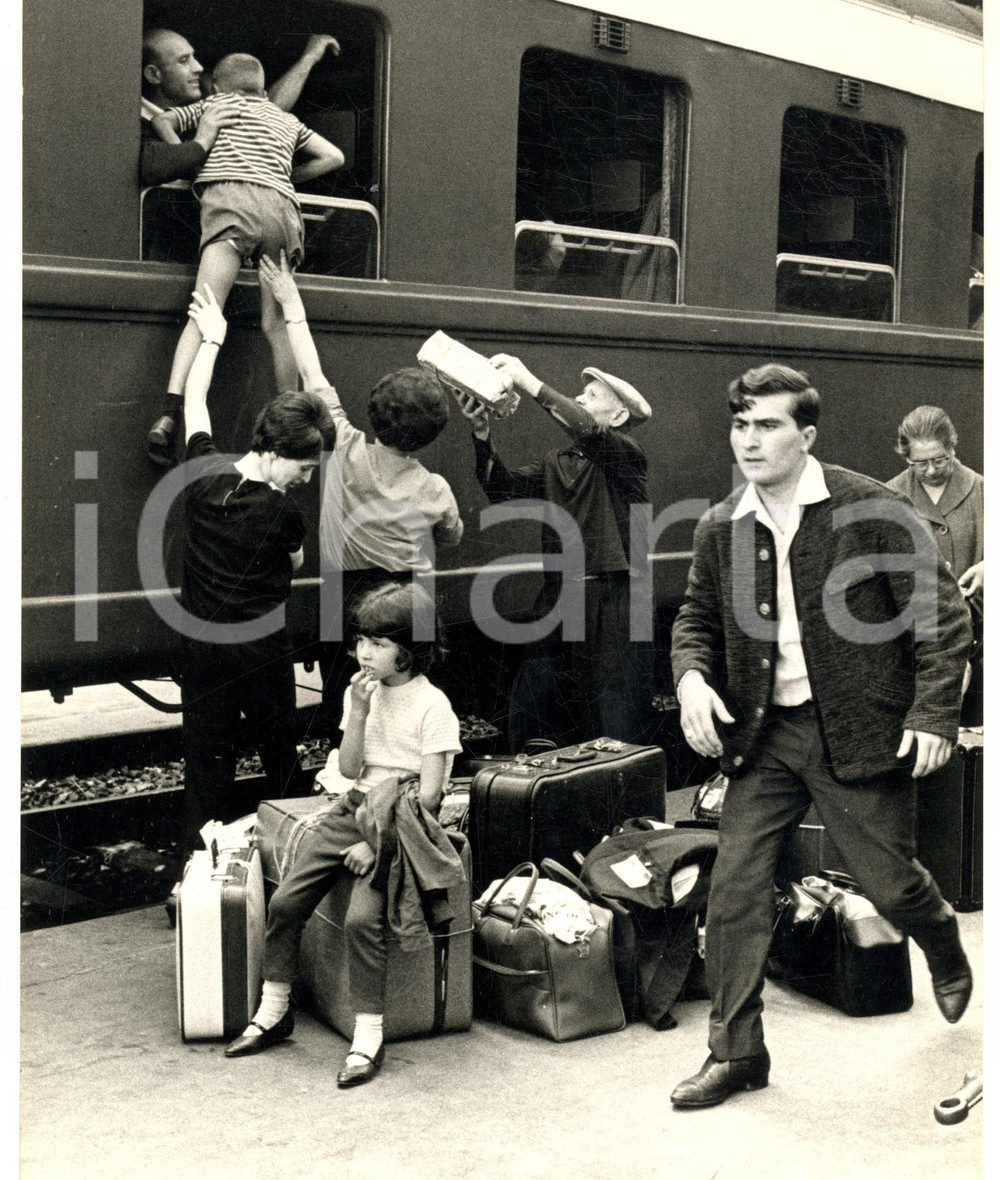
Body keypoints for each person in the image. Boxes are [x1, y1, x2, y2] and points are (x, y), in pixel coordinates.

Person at [669, 363, 973, 1111]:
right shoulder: (721, 526)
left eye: (767, 424)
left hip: (858, 731)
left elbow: (942, 618)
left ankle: (936, 934)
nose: (749, 439)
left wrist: (932, 714)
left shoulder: (871, 508)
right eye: (740, 424)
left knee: (889, 882)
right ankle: (736, 1052)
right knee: (735, 889)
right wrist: (691, 680)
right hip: (764, 736)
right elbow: (695, 622)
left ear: (805, 435)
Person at [224, 581, 464, 1087]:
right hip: (352, 808)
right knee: (286, 902)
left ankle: (369, 1036)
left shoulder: (433, 706)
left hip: (402, 828)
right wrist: (355, 712)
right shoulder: (364, 695)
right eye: (361, 641)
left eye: (379, 643)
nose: (364, 652)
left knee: (361, 921)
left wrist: (372, 844)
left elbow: (430, 799)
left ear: (410, 648)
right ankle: (274, 1011)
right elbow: (353, 768)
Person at [256, 251, 464, 732]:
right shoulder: (434, 489)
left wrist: (291, 300)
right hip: (407, 599)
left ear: (374, 414)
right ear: (430, 435)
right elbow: (451, 536)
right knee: (407, 700)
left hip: (341, 598)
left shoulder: (344, 448)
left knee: (346, 701)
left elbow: (312, 372)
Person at [176, 282, 335, 861]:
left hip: (200, 648)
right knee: (280, 757)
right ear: (273, 451)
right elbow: (294, 564)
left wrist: (212, 340)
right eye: (305, 465)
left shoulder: (201, 473)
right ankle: (297, 861)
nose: (307, 477)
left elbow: (196, 404)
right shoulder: (283, 511)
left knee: (205, 766)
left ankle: (196, 873)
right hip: (260, 652)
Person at [146, 53, 345, 466]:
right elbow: (334, 157)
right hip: (280, 213)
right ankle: (289, 419)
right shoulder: (285, 120)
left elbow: (161, 121)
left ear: (219, 86)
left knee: (205, 312)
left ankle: (168, 413)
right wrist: (287, 178)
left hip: (232, 208)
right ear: (262, 86)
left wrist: (190, 157)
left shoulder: (213, 106)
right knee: (278, 321)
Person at [459, 354, 654, 750]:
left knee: (613, 721)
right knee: (535, 712)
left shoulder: (627, 455)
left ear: (617, 418)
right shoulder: (557, 462)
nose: (579, 399)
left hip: (612, 600)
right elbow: (503, 492)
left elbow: (591, 435)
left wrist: (528, 380)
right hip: (557, 598)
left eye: (592, 394)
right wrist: (481, 434)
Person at [140, 29, 341, 188]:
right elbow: (153, 164)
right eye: (184, 61)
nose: (199, 67)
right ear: (154, 75)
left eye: (194, 57)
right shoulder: (131, 124)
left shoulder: (206, 110)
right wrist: (201, 143)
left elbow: (264, 111)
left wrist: (273, 179)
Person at [885, 406, 983, 600]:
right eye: (920, 463)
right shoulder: (889, 496)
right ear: (906, 458)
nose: (931, 471)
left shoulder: (983, 490)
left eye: (939, 460)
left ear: (952, 449)